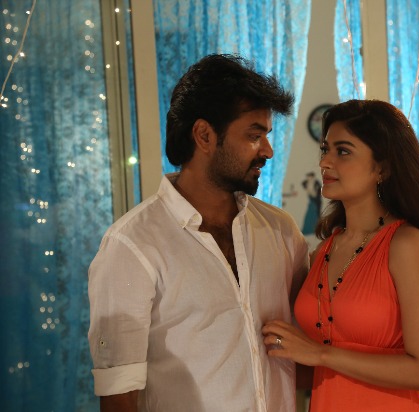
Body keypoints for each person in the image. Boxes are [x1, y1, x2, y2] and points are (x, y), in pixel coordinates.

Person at [88, 54, 308, 412]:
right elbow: (118, 395)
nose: (267, 151)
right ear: (204, 135)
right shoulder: (132, 244)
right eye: (254, 136)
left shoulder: (280, 231)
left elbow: (312, 346)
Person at [262, 99, 419, 411]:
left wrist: (320, 354)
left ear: (382, 168)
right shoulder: (323, 251)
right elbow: (314, 369)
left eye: (343, 151)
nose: (325, 162)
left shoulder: (407, 244)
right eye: (325, 149)